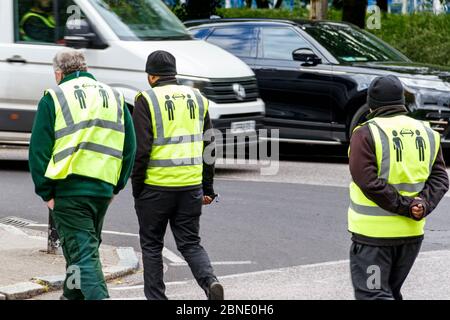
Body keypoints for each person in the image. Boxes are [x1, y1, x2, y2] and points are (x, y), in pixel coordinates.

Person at [29, 49, 136, 300]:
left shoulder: (54, 97)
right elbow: (129, 148)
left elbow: (38, 152)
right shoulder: (115, 96)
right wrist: (116, 187)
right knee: (80, 252)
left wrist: (46, 193)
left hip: (69, 191)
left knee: (84, 255)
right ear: (85, 68)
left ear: (58, 73)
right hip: (102, 190)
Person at [132, 50, 223, 300]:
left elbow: (141, 150)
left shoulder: (146, 99)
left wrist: (136, 187)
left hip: (155, 187)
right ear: (173, 73)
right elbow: (209, 146)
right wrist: (207, 188)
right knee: (191, 243)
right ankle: (210, 282)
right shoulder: (198, 98)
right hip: (190, 187)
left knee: (151, 246)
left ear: (151, 76)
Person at [348, 75, 449, 300]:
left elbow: (367, 181)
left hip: (373, 237)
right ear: (402, 101)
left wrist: (405, 206)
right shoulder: (427, 133)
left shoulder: (365, 133)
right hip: (411, 236)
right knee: (390, 293)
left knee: (373, 295)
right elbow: (440, 178)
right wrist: (421, 204)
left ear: (371, 104)